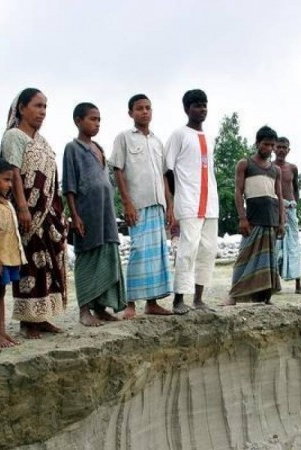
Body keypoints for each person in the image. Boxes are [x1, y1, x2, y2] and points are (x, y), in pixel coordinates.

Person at [0, 88, 67, 339]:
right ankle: (29, 321)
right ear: (21, 108)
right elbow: (14, 172)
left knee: (48, 263)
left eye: (45, 107)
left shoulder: (43, 142)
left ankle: (43, 315)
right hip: (28, 210)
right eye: (37, 106)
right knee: (31, 263)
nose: (42, 112)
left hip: (48, 213)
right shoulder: (14, 137)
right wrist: (23, 207)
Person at [109, 94, 174, 319]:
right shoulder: (124, 138)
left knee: (156, 255)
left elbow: (164, 176)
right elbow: (118, 170)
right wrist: (127, 203)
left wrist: (170, 206)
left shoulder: (158, 142)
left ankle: (152, 303)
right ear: (131, 113)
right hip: (137, 205)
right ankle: (130, 304)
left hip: (158, 205)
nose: (144, 112)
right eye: (139, 108)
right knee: (138, 253)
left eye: (148, 108)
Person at [63, 102, 126, 327]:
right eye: (92, 119)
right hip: (87, 212)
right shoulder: (73, 148)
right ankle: (84, 310)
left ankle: (101, 308)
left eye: (99, 120)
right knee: (88, 258)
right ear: (78, 121)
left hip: (106, 214)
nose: (96, 124)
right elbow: (70, 186)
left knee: (107, 256)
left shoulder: (99, 148)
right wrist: (75, 215)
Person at [164, 89, 219, 314]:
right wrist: (174, 199)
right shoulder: (179, 134)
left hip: (210, 203)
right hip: (188, 202)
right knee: (188, 249)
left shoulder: (210, 137)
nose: (202, 109)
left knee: (208, 249)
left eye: (204, 104)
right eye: (197, 105)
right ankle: (179, 299)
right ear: (187, 109)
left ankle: (199, 298)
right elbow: (167, 169)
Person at [226, 126, 284, 304]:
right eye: (266, 144)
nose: (270, 149)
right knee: (244, 257)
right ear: (257, 143)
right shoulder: (245, 164)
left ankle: (265, 297)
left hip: (271, 221)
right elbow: (238, 192)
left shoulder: (276, 170)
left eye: (272, 145)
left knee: (268, 261)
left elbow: (280, 197)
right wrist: (242, 218)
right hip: (252, 219)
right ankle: (233, 296)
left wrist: (281, 221)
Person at [0, 156, 24, 348]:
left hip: (9, 257)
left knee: (1, 294)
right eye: (6, 180)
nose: (9, 184)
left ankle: (2, 331)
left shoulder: (6, 203)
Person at [273, 136, 301, 294]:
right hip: (275, 209)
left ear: (288, 150)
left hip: (291, 210)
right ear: (274, 148)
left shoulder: (292, 168)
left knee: (293, 245)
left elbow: (296, 188)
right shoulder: (269, 167)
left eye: (284, 147)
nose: (281, 150)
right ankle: (275, 284)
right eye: (278, 147)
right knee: (275, 246)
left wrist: (293, 206)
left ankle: (298, 285)